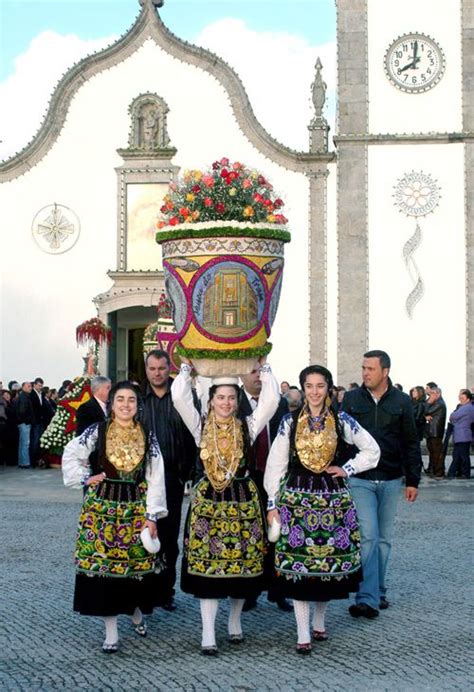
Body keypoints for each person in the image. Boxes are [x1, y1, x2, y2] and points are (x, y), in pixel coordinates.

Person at [264, 365, 380, 654]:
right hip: (296, 502)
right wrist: (271, 503)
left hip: (333, 500)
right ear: (303, 389)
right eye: (309, 386)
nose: (314, 392)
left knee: (326, 566)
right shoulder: (289, 422)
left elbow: (372, 450)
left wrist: (347, 468)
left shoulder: (342, 421)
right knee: (300, 566)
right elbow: (275, 463)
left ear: (328, 388)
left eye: (320, 386)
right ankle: (303, 631)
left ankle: (319, 622)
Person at [171, 357, 279, 655]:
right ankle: (208, 632)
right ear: (212, 400)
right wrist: (186, 368)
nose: (227, 403)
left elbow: (271, 400)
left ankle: (234, 621)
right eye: (221, 397)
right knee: (208, 569)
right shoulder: (200, 424)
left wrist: (265, 367)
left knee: (242, 564)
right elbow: (179, 397)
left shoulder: (248, 425)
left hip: (243, 498)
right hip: (208, 502)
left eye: (232, 397)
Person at [62, 381, 167, 653]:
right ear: (112, 403)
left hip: (134, 509)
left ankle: (134, 611)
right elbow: (72, 453)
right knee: (104, 571)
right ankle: (111, 633)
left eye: (131, 400)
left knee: (133, 569)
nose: (125, 405)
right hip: (102, 510)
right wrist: (86, 478)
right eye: (120, 399)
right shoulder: (97, 431)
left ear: (137, 405)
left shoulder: (148, 435)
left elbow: (156, 477)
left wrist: (152, 516)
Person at [341, 350, 422, 618]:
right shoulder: (351, 399)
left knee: (384, 540)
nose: (365, 373)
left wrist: (413, 480)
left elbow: (411, 441)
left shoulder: (401, 401)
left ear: (385, 371)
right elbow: (341, 439)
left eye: (370, 369)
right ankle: (366, 597)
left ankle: (378, 591)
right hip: (360, 480)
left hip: (390, 479)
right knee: (369, 536)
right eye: (363, 368)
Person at [141, 349, 198, 612]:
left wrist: (190, 472)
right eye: (152, 369)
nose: (157, 373)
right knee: (145, 534)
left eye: (161, 368)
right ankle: (146, 590)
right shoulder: (139, 400)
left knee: (169, 536)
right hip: (144, 482)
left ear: (169, 368)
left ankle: (166, 590)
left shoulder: (182, 397)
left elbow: (195, 435)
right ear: (146, 370)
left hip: (174, 479)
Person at [238, 367, 291, 612]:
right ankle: (249, 591)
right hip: (247, 477)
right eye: (251, 371)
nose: (257, 375)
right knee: (249, 533)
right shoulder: (233, 401)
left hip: (276, 476)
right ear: (241, 375)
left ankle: (278, 590)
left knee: (278, 531)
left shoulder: (277, 403)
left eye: (260, 371)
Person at [447, 389, 474, 479]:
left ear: (468, 399)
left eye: (462, 397)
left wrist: (453, 416)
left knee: (463, 455)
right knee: (458, 455)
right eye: (460, 397)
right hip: (461, 435)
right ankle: (452, 472)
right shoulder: (466, 407)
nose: (460, 399)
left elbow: (453, 416)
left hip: (463, 435)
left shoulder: (467, 407)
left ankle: (465, 474)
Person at [424, 386, 447, 478]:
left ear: (438, 393)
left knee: (437, 453)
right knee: (432, 453)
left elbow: (426, 410)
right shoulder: (436, 402)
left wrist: (429, 401)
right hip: (431, 432)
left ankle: (439, 471)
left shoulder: (439, 404)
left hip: (435, 432)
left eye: (432, 393)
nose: (430, 395)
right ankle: (434, 470)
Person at [30, 377, 48, 467]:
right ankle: (33, 460)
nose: (40, 387)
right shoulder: (32, 394)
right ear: (35, 385)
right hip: (35, 421)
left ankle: (38, 459)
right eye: (39, 385)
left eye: (41, 386)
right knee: (35, 440)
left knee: (39, 440)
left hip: (41, 420)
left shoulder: (42, 394)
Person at [16, 382, 33, 468]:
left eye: (31, 386)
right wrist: (27, 420)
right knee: (25, 443)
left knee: (22, 443)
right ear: (23, 387)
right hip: (24, 423)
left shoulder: (24, 396)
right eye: (28, 386)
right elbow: (22, 411)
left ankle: (22, 462)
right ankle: (25, 463)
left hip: (22, 422)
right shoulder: (24, 397)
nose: (30, 388)